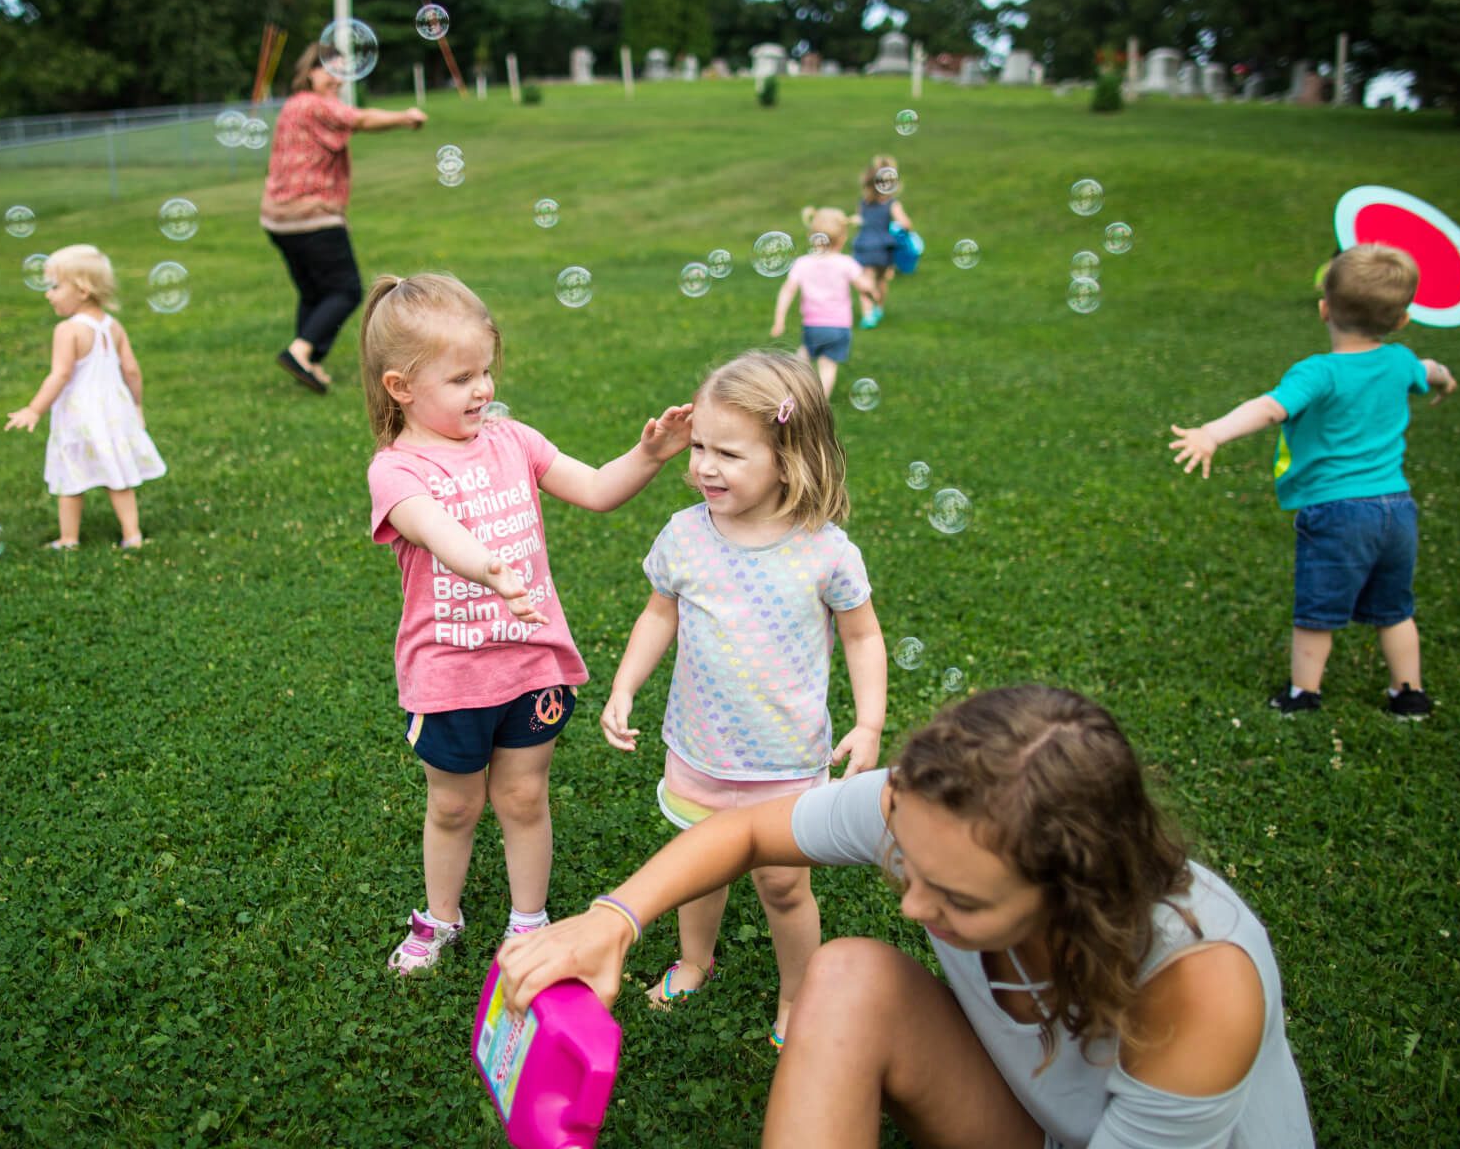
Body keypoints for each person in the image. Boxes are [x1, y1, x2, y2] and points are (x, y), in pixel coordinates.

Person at [500, 685, 1315, 1149]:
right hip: (1042, 1125)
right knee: (851, 971)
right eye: (908, 866)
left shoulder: (1200, 981)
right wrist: (614, 919)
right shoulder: (935, 809)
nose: (915, 906)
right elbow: (747, 829)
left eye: (959, 900)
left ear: (1076, 891)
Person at [361, 271, 694, 974]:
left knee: (523, 794)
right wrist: (490, 569)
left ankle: (528, 920)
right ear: (401, 388)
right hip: (450, 673)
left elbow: (599, 490)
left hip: (533, 663)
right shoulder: (396, 470)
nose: (482, 389)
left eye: (485, 370)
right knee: (453, 807)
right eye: (460, 378)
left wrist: (650, 455)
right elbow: (433, 529)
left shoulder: (515, 441)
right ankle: (440, 919)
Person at [600, 350, 885, 1048]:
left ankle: (799, 997)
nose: (704, 466)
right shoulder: (686, 535)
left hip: (785, 761)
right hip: (702, 749)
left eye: (729, 452)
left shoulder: (824, 551)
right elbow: (659, 613)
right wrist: (625, 683)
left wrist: (870, 720)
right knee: (700, 871)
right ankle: (696, 961)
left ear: (789, 458)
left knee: (785, 889)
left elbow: (863, 635)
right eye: (699, 446)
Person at [1168, 243, 1458, 717]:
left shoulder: (1319, 372)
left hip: (1339, 511)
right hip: (1397, 509)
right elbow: (1430, 369)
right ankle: (1409, 694)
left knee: (1316, 612)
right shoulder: (1401, 361)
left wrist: (1211, 434)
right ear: (1402, 320)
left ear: (1324, 309)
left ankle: (1303, 693)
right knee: (1395, 609)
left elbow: (1268, 409)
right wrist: (1445, 382)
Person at [262, 43, 427, 393]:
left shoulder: (294, 106)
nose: (337, 78)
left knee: (313, 292)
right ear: (310, 72)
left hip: (277, 218)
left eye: (341, 70)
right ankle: (300, 351)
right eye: (329, 69)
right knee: (345, 289)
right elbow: (360, 119)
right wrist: (405, 117)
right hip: (311, 216)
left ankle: (308, 361)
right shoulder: (312, 104)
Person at [5, 244, 164, 549]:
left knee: (70, 477)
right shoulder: (112, 326)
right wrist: (137, 404)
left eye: (54, 286)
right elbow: (132, 370)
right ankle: (132, 535)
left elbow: (59, 375)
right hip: (113, 411)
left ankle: (69, 538)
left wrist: (34, 409)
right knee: (118, 475)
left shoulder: (68, 330)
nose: (47, 294)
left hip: (79, 415)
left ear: (81, 290)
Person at [771, 208, 877, 398]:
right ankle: (821, 400)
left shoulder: (803, 263)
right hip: (839, 327)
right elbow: (864, 286)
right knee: (827, 367)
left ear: (811, 235)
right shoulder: (846, 263)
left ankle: (790, 381)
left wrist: (779, 320)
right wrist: (872, 290)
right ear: (843, 238)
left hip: (813, 325)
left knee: (805, 353)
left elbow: (787, 290)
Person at [852, 155, 915, 328]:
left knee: (867, 279)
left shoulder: (863, 203)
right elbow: (906, 224)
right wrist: (903, 229)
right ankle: (878, 308)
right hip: (883, 247)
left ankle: (867, 313)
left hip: (865, 245)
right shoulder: (892, 204)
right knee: (881, 280)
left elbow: (859, 220)